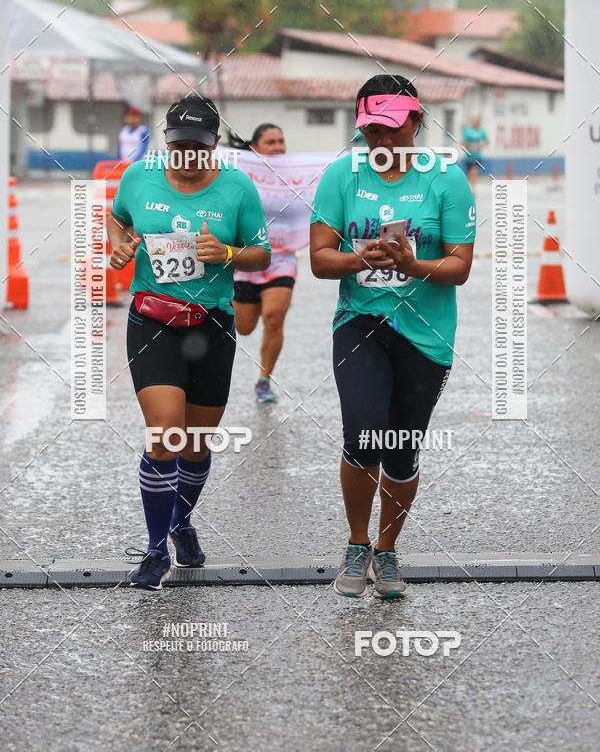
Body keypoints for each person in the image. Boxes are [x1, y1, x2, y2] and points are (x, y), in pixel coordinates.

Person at [310, 74, 475, 600]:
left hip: (426, 334)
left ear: (416, 121)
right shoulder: (342, 176)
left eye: (389, 129)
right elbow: (319, 259)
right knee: (363, 434)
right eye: (369, 131)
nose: (379, 142)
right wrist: (359, 257)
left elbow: (460, 265)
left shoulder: (446, 180)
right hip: (360, 323)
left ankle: (387, 550)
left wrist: (414, 264)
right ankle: (357, 544)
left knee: (401, 449)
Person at [108, 95, 271, 590]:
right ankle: (156, 550)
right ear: (166, 143)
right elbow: (118, 219)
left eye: (198, 148)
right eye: (178, 146)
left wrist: (225, 251)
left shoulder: (238, 188)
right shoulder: (138, 177)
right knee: (165, 435)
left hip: (211, 324)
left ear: (215, 144)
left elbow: (261, 255)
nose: (187, 156)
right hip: (152, 321)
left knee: (195, 445)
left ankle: (180, 521)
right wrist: (117, 243)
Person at [233, 123, 296, 404]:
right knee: (244, 326)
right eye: (271, 142)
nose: (278, 147)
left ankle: (264, 380)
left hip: (281, 259)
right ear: (255, 148)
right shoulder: (239, 176)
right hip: (246, 259)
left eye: (281, 141)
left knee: (274, 317)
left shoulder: (297, 176)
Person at [461, 114, 487, 189]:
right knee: (470, 174)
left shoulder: (481, 131)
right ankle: (469, 187)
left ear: (478, 122)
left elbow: (486, 142)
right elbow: (462, 143)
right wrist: (469, 145)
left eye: (476, 121)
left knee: (474, 171)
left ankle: (473, 189)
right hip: (468, 156)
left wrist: (480, 145)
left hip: (477, 156)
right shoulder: (467, 131)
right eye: (473, 121)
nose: (475, 123)